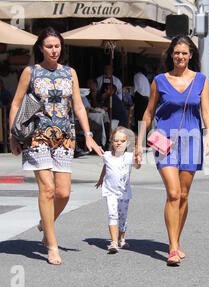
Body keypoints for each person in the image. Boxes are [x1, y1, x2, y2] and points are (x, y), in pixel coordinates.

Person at [8, 27, 104, 265]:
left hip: (64, 136)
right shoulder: (31, 72)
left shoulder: (70, 72)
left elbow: (79, 106)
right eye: (49, 46)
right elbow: (16, 104)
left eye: (57, 46)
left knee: (63, 192)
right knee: (47, 190)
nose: (54, 50)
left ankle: (45, 222)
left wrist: (88, 134)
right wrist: (13, 135)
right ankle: (51, 244)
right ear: (41, 48)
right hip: (37, 136)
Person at [137, 35, 209, 266]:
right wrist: (139, 144)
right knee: (172, 192)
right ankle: (172, 248)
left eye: (185, 52)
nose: (180, 56)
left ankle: (176, 240)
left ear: (191, 55)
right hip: (163, 140)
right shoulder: (159, 80)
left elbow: (206, 111)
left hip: (192, 140)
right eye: (176, 52)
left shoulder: (201, 80)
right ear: (171, 55)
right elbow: (148, 113)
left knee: (183, 195)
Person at [95, 126, 140, 253]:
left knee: (123, 216)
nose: (118, 143)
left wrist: (138, 158)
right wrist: (100, 180)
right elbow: (105, 167)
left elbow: (137, 166)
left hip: (124, 192)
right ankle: (113, 242)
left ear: (127, 143)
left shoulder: (129, 157)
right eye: (116, 140)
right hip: (110, 191)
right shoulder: (107, 155)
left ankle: (121, 238)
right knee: (112, 214)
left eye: (122, 141)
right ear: (111, 141)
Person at [133, 67, 150, 133]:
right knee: (143, 120)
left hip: (141, 100)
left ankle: (141, 140)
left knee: (139, 119)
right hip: (146, 99)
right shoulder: (144, 78)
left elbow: (136, 89)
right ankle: (143, 140)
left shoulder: (137, 76)